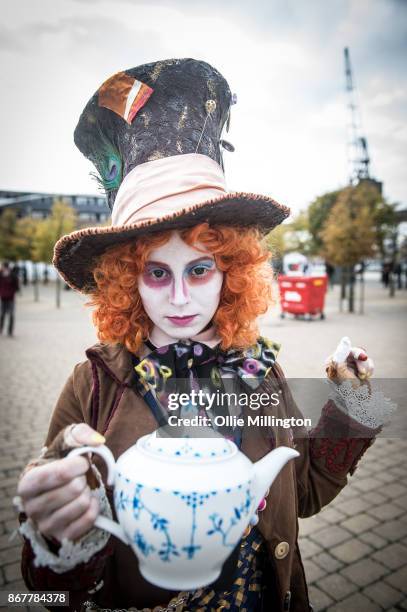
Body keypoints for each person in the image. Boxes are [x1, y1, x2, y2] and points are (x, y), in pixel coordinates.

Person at [15, 59, 394, 612]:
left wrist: (352, 408)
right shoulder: (93, 384)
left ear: (231, 271)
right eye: (156, 272)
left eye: (199, 270)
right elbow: (52, 587)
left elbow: (302, 490)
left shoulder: (261, 374)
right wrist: (57, 532)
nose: (179, 298)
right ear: (126, 280)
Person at [0, 261, 20, 337]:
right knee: (2, 314)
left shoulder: (12, 275)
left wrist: (13, 291)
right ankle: (1, 329)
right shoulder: (1, 275)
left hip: (11, 298)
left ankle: (10, 331)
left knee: (11, 314)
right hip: (3, 297)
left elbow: (17, 286)